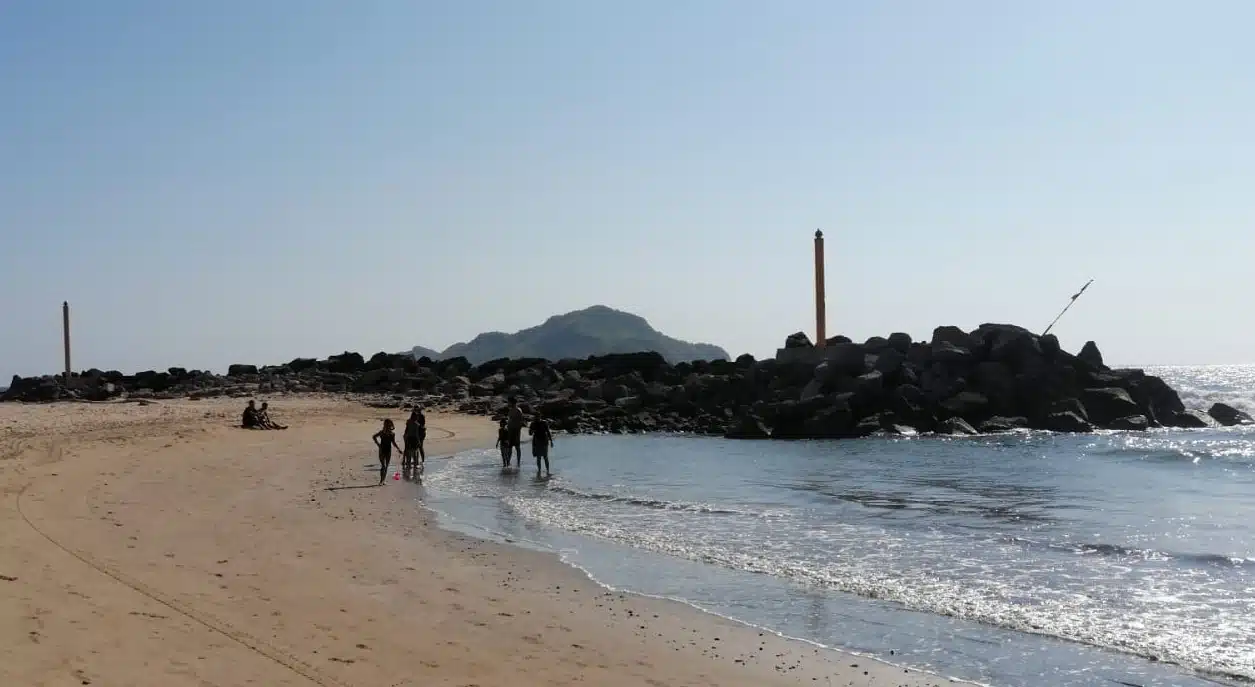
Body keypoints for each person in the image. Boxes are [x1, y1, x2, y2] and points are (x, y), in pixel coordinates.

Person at [372, 419, 403, 485]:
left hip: (388, 451)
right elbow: (374, 437)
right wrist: (378, 444)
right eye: (386, 424)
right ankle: (381, 481)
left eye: (388, 424)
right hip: (382, 450)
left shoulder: (392, 434)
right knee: (383, 465)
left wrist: (398, 449)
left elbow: (393, 443)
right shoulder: (382, 432)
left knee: (386, 466)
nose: (387, 426)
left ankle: (383, 480)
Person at [528, 411, 555, 477]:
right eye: (536, 416)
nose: (537, 418)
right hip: (536, 441)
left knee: (545, 457)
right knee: (538, 457)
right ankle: (539, 471)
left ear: (540, 416)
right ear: (534, 417)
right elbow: (530, 433)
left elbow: (548, 432)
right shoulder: (533, 423)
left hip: (544, 441)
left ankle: (548, 471)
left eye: (538, 416)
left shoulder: (544, 422)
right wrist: (532, 430)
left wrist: (551, 441)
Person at [506, 397, 525, 467]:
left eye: (509, 402)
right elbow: (510, 420)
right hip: (510, 431)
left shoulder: (518, 410)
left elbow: (521, 421)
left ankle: (518, 462)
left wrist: (518, 429)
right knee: (510, 447)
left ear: (512, 403)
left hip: (516, 431)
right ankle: (508, 462)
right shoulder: (510, 410)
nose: (508, 403)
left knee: (517, 447)